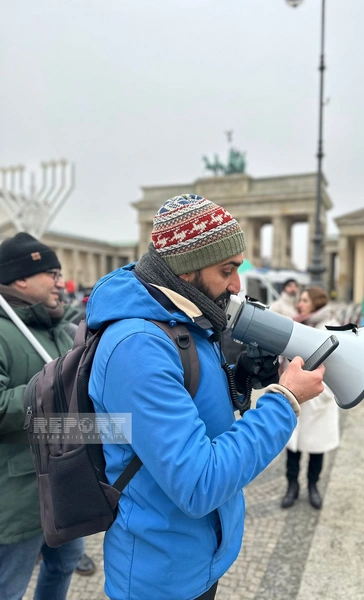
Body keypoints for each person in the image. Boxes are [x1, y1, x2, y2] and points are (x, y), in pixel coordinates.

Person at [87, 194, 326, 600]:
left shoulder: (187, 320)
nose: (237, 285)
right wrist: (284, 400)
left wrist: (242, 376)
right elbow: (198, 483)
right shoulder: (137, 347)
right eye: (227, 270)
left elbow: (199, 410)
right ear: (185, 268)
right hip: (159, 575)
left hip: (195, 555)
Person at [0, 232, 93, 600]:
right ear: (20, 279)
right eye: (52, 274)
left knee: (64, 563)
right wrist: (47, 392)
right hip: (17, 498)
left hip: (65, 486)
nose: (60, 282)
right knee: (9, 587)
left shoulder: (58, 328)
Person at [278, 286, 340, 510]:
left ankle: (313, 486)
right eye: (300, 300)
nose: (300, 304)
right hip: (297, 394)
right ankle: (292, 486)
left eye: (305, 300)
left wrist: (323, 394)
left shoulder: (330, 327)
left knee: (316, 446)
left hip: (318, 396)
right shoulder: (297, 323)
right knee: (293, 446)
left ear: (316, 302)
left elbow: (336, 366)